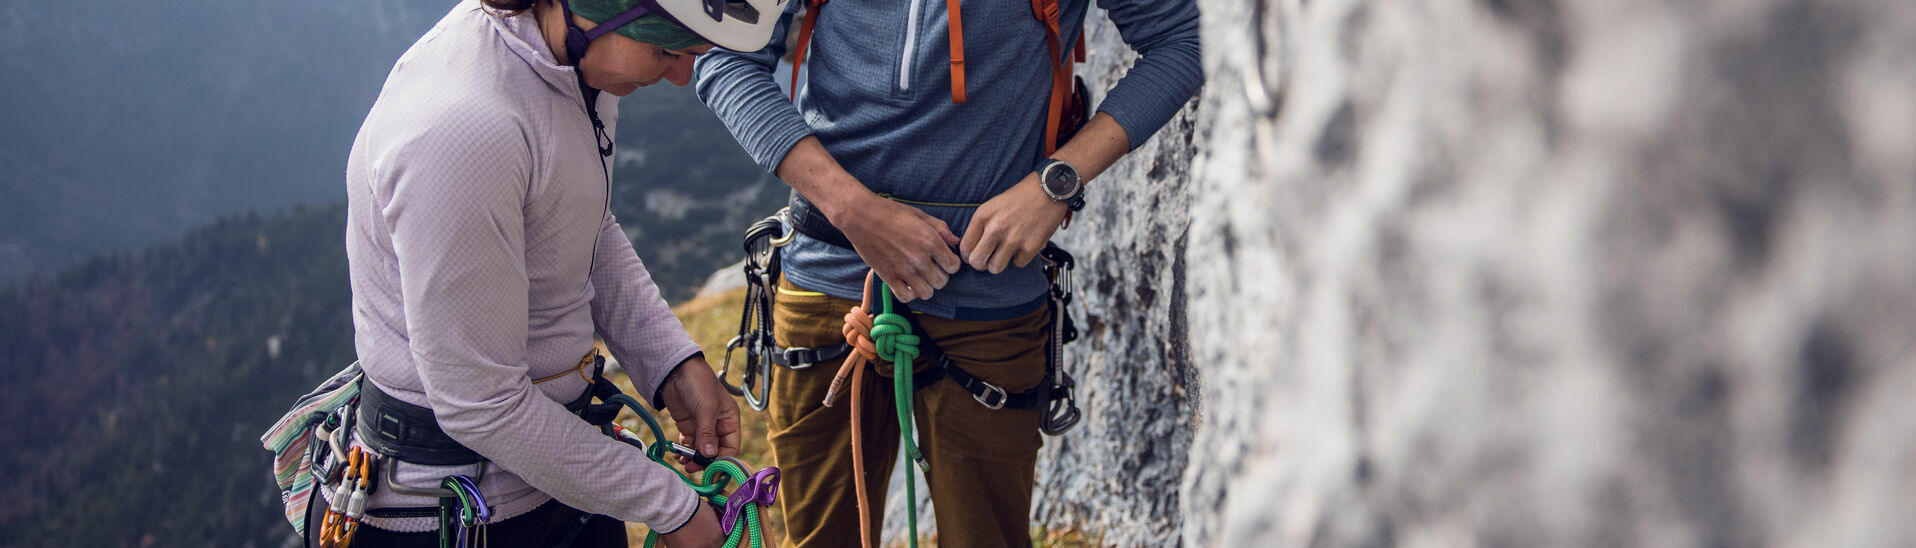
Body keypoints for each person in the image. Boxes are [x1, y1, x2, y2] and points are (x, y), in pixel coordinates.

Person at [694, 0, 1202, 545]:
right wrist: (854, 210)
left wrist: (1057, 181)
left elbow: (1186, 39)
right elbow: (723, 53)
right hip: (833, 271)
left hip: (983, 287)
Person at [320, 0, 777, 545]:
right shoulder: (462, 132)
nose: (682, 76)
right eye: (664, 49)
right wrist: (669, 505)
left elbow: (581, 222)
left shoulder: (568, 62)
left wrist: (672, 363)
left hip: (560, 475)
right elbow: (482, 406)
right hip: (456, 514)